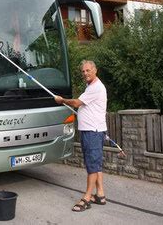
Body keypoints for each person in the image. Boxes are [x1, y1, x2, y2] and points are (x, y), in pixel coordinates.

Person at [54, 60, 107, 212]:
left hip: (92, 132)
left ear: (95, 70)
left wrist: (62, 100)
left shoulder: (96, 87)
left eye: (88, 70)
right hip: (90, 130)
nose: (85, 73)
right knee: (95, 163)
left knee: (92, 165)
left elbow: (77, 103)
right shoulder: (90, 86)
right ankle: (100, 194)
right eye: (83, 71)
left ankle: (87, 198)